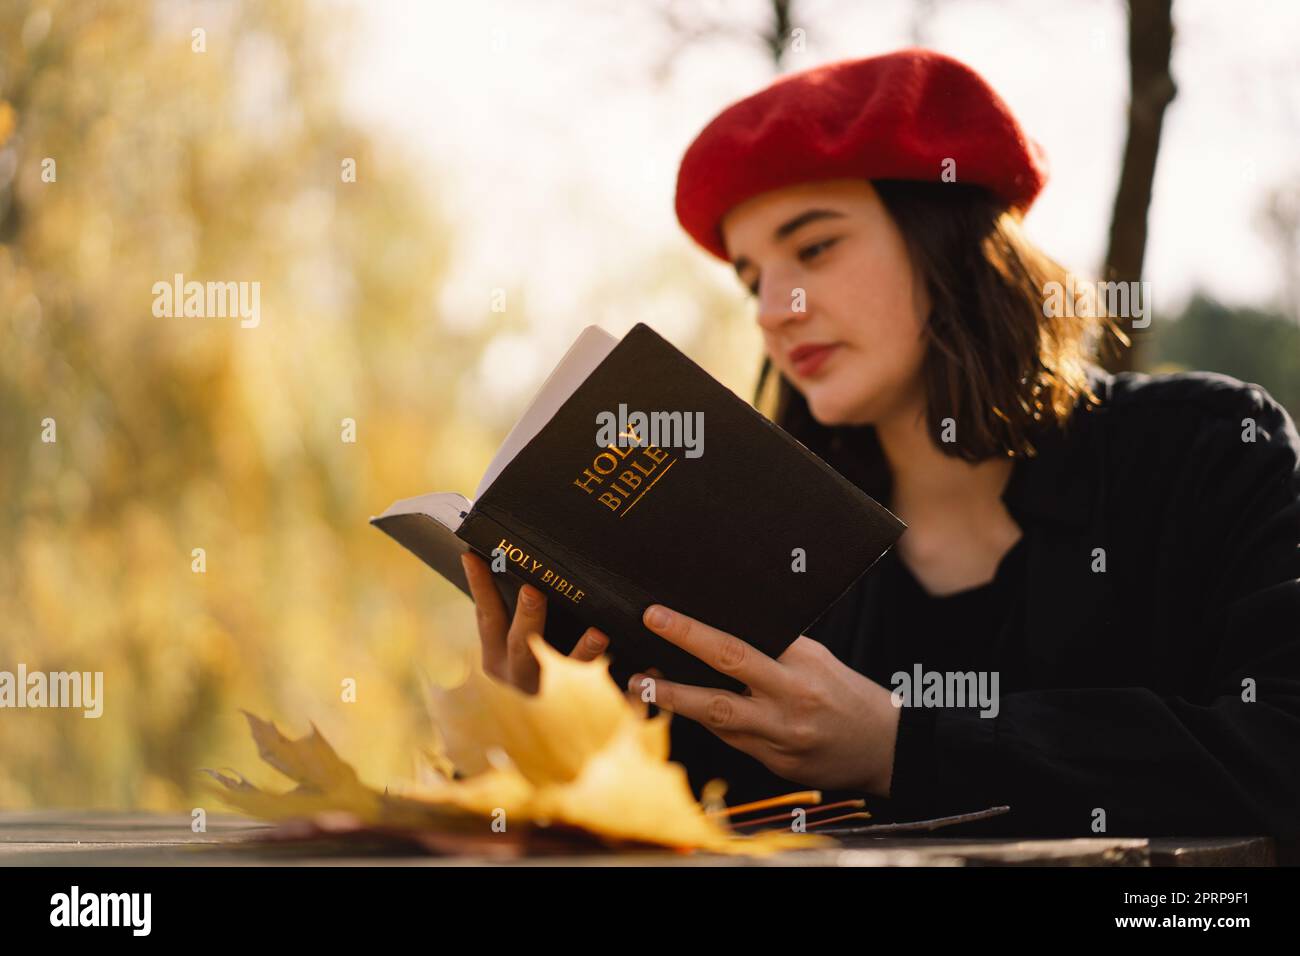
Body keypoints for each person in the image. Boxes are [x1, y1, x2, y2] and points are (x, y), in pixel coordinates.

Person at [464, 48, 1300, 839]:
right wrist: (556, 729)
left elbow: (1278, 749)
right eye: (752, 279)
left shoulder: (1207, 449)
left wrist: (903, 746)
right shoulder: (763, 555)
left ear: (953, 240)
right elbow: (698, 819)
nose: (771, 310)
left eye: (815, 247)